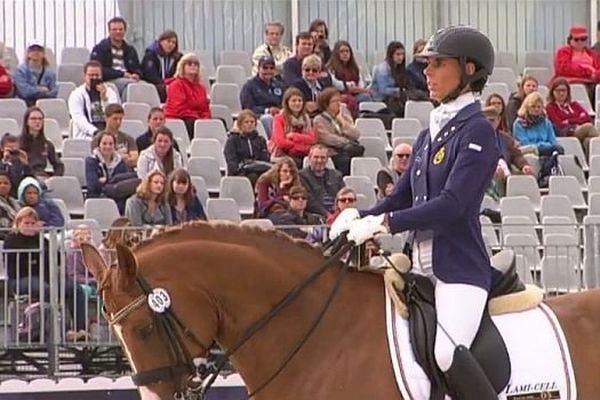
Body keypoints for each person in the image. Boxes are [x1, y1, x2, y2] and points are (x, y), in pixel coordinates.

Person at [331, 26, 502, 399]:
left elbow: (452, 206)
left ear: (468, 70)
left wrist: (386, 223)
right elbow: (401, 195)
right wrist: (362, 216)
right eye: (427, 65)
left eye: (438, 64)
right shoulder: (429, 135)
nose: (427, 72)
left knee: (446, 353)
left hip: (459, 270)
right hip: (419, 269)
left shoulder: (478, 132)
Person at [5, 207, 87, 341]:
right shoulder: (12, 239)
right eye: (26, 223)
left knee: (75, 289)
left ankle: (80, 329)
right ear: (18, 223)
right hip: (21, 279)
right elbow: (22, 258)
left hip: (47, 278)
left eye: (33, 223)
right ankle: (59, 330)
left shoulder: (41, 239)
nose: (30, 227)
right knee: (45, 289)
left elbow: (57, 258)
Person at [482, 106, 534, 199]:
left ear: (498, 120)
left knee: (527, 171)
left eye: (492, 121)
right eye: (486, 121)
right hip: (485, 171)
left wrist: (524, 166)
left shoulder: (506, 138)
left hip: (506, 168)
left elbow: (516, 155)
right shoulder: (475, 139)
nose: (489, 124)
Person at [313, 87, 363, 175]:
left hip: (346, 150)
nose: (338, 104)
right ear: (326, 104)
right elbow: (328, 138)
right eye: (334, 101)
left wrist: (342, 122)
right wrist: (346, 141)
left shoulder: (343, 114)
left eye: (339, 101)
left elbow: (356, 134)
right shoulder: (319, 120)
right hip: (332, 152)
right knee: (344, 160)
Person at [85, 131, 137, 214]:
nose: (108, 146)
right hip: (98, 197)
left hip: (118, 196)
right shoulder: (91, 161)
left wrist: (106, 180)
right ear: (99, 145)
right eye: (104, 143)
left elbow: (127, 179)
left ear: (114, 146)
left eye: (111, 144)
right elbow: (93, 186)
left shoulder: (120, 161)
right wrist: (114, 183)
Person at [90, 17, 142, 98]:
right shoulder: (100, 48)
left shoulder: (130, 50)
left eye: (121, 29)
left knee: (148, 87)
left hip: (130, 79)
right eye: (114, 29)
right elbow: (99, 70)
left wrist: (137, 74)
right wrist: (122, 74)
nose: (118, 32)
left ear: (125, 31)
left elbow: (138, 68)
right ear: (109, 31)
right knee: (130, 86)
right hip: (110, 80)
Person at [164, 52, 211, 139]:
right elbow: (179, 109)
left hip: (196, 118)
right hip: (179, 118)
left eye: (196, 64)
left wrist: (205, 118)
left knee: (219, 122)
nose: (193, 65)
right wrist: (198, 117)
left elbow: (205, 108)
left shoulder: (201, 88)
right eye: (189, 64)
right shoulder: (176, 85)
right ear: (183, 67)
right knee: (192, 123)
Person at [545, 77, 599, 155]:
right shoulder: (550, 107)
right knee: (589, 127)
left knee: (588, 141)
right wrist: (578, 119)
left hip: (579, 129)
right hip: (567, 132)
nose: (561, 93)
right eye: (558, 90)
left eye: (564, 90)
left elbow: (587, 118)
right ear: (552, 92)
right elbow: (559, 124)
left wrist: (569, 120)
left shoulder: (574, 105)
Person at [68, 61, 120, 139]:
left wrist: (104, 99)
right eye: (91, 75)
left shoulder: (110, 93)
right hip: (85, 135)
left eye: (97, 75)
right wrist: (95, 132)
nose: (94, 78)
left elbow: (113, 114)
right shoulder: (76, 94)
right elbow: (78, 118)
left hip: (108, 134)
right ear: (85, 76)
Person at [240, 56, 286, 138]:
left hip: (279, 114)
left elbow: (285, 102)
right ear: (258, 68)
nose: (268, 71)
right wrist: (267, 110)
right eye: (265, 68)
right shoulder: (249, 86)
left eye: (271, 68)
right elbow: (248, 108)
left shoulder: (279, 85)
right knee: (267, 118)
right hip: (259, 117)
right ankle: (272, 142)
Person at [270, 87, 317, 166]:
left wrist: (295, 136)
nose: (297, 103)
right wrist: (300, 144)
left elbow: (312, 139)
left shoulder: (305, 118)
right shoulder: (279, 118)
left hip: (303, 152)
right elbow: (281, 142)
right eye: (294, 101)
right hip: (284, 154)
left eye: (300, 100)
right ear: (287, 103)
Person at [223, 110, 270, 185]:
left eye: (252, 122)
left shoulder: (261, 140)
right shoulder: (233, 140)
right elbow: (231, 161)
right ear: (240, 124)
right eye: (246, 122)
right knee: (253, 177)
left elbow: (265, 159)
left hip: (258, 170)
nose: (249, 124)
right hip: (239, 173)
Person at [299, 144, 344, 218]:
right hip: (314, 215)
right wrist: (326, 214)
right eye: (316, 157)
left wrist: (337, 212)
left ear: (327, 159)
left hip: (337, 214)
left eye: (323, 157)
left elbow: (343, 195)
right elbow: (309, 200)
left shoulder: (336, 175)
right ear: (310, 158)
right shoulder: (301, 176)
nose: (319, 160)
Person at [513, 92, 564, 156]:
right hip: (529, 152)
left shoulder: (546, 123)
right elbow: (525, 143)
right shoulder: (519, 123)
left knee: (559, 149)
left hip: (548, 151)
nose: (536, 109)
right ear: (527, 107)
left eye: (539, 107)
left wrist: (547, 147)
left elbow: (553, 141)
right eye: (533, 106)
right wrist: (543, 146)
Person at [327, 40, 373, 110]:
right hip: (340, 96)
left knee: (366, 97)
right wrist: (351, 87)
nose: (345, 54)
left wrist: (359, 89)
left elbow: (361, 84)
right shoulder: (331, 68)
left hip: (356, 94)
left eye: (347, 51)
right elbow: (337, 85)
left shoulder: (355, 68)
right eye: (342, 51)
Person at [20, 106, 64, 179]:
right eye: (33, 119)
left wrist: (53, 179)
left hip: (42, 177)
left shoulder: (47, 144)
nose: (37, 121)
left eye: (40, 119)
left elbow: (59, 165)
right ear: (26, 121)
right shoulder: (18, 143)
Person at [371, 41, 412, 117]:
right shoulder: (382, 69)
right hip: (382, 100)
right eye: (398, 54)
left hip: (395, 98)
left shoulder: (400, 69)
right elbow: (383, 90)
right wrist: (400, 92)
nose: (401, 57)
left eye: (402, 54)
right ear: (391, 55)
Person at [91, 103, 138, 168]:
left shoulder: (128, 138)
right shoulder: (97, 139)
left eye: (120, 119)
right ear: (106, 118)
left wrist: (111, 156)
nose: (118, 122)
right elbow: (100, 160)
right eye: (115, 119)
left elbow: (134, 159)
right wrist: (121, 157)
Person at [141, 30, 182, 102]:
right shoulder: (151, 55)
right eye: (168, 41)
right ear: (160, 41)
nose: (171, 44)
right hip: (154, 85)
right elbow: (150, 75)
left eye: (174, 43)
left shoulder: (178, 57)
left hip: (171, 85)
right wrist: (164, 84)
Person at [13, 40, 57, 105]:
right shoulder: (20, 71)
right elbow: (25, 92)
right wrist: (41, 90)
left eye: (39, 50)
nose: (36, 52)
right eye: (33, 50)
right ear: (28, 53)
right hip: (25, 105)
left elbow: (54, 92)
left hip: (45, 104)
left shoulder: (50, 73)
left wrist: (34, 91)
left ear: (43, 54)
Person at [0, 171, 20, 239]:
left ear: (10, 185)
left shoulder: (15, 204)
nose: (3, 186)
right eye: (0, 183)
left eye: (6, 183)